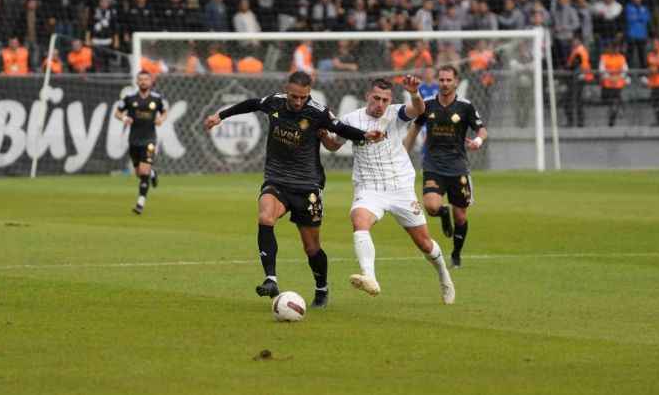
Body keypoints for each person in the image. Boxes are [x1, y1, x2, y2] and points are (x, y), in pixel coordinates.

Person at [203, 71, 384, 308]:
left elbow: (340, 128)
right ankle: (271, 279)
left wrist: (366, 135)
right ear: (286, 89)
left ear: (309, 93)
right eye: (294, 96)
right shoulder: (274, 102)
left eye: (303, 97)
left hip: (308, 185)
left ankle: (321, 287)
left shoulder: (318, 112)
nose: (298, 102)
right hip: (276, 180)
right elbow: (251, 104)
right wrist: (220, 116)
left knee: (311, 247)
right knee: (265, 216)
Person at [319, 77, 455, 304]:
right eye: (376, 98)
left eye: (385, 100)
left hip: (400, 186)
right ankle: (369, 277)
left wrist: (414, 93)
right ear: (367, 97)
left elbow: (419, 109)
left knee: (424, 243)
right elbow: (334, 146)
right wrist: (324, 136)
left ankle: (444, 275)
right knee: (359, 220)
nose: (380, 104)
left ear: (390, 101)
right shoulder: (352, 119)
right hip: (369, 187)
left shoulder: (396, 114)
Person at [404, 66, 488, 268]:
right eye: (441, 79)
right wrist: (403, 152)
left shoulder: (465, 107)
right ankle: (442, 213)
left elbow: (482, 129)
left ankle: (456, 254)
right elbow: (415, 127)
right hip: (433, 164)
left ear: (456, 82)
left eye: (449, 80)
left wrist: (478, 141)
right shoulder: (428, 105)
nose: (444, 83)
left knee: (460, 216)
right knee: (431, 207)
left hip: (458, 167)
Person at [114, 71, 167, 214]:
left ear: (150, 82)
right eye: (141, 79)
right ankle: (153, 174)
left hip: (149, 139)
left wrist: (161, 119)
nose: (143, 82)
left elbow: (164, 111)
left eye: (146, 79)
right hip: (134, 140)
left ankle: (140, 203)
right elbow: (117, 112)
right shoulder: (129, 98)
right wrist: (124, 119)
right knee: (138, 172)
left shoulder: (157, 98)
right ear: (137, 82)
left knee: (143, 172)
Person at [599, 41, 628, 127]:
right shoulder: (604, 57)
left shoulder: (621, 58)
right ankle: (613, 114)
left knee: (614, 103)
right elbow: (601, 70)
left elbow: (625, 70)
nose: (615, 49)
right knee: (609, 104)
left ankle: (612, 119)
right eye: (613, 47)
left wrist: (617, 78)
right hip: (607, 85)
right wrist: (610, 78)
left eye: (616, 47)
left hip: (617, 85)